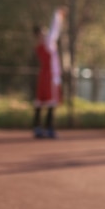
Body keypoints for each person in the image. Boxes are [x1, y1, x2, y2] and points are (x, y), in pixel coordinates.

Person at [32, 7, 65, 139]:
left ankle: (40, 128)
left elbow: (53, 32)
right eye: (43, 32)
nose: (46, 34)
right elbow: (55, 30)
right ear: (39, 34)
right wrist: (58, 15)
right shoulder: (47, 45)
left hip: (46, 76)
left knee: (41, 102)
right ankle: (47, 128)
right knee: (49, 103)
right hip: (50, 77)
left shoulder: (41, 46)